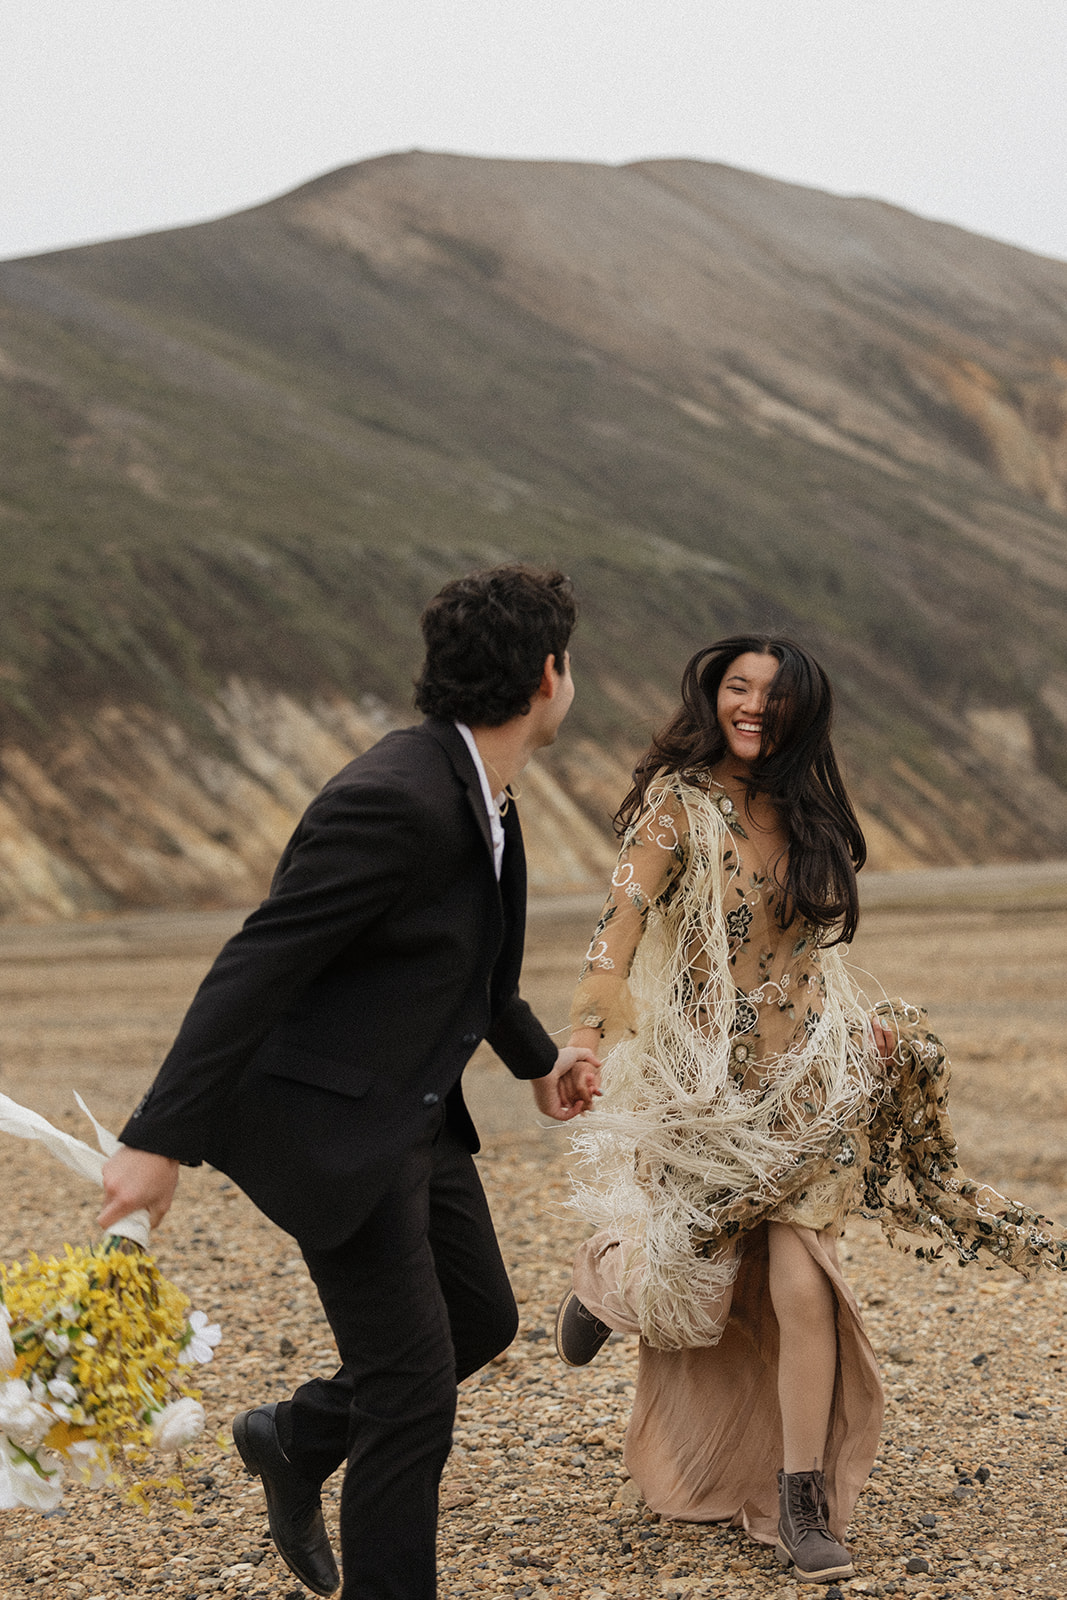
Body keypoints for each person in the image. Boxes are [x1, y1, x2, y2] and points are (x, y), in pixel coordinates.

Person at [98, 563, 602, 1600]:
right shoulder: (393, 797)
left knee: (480, 1321)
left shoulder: (480, 792)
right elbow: (259, 961)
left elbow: (464, 962)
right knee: (412, 1397)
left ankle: (290, 1437)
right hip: (335, 1127)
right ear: (549, 674)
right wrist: (156, 1140)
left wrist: (537, 1061)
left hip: (413, 1113)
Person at [554, 636, 1066, 1586]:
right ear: (711, 696)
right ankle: (608, 1282)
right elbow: (612, 936)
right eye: (737, 687)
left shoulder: (810, 811)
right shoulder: (677, 809)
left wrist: (859, 1030)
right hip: (705, 1096)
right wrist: (585, 1039)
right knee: (691, 1300)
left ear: (802, 713)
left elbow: (806, 960)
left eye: (774, 694)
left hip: (810, 1088)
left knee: (802, 1283)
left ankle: (802, 1501)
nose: (753, 705)